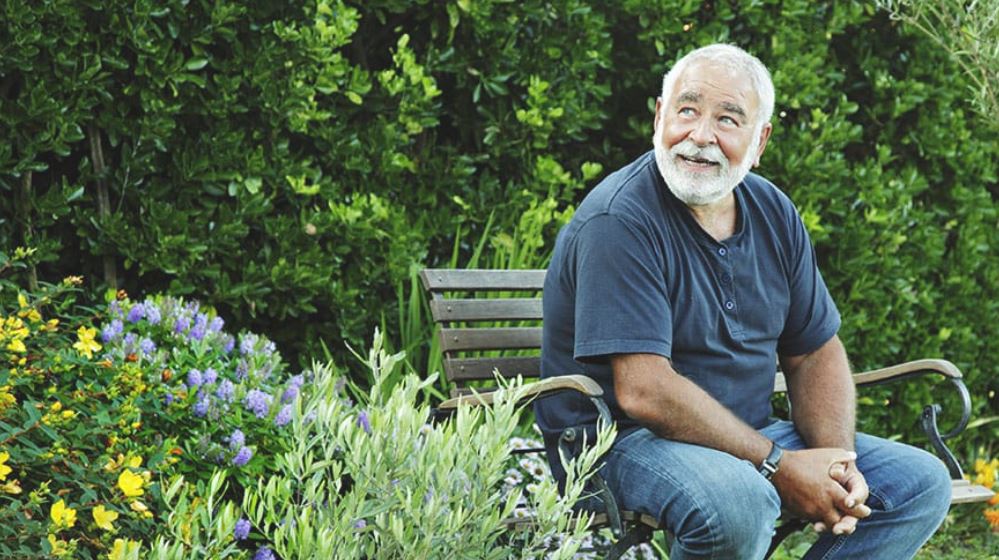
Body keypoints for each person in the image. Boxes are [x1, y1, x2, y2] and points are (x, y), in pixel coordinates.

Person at [535, 44, 952, 559]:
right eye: (686, 110)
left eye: (728, 119)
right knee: (740, 503)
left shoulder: (772, 210)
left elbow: (814, 350)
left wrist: (834, 461)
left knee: (919, 484)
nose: (700, 136)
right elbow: (645, 391)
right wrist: (778, 464)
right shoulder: (619, 221)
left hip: (746, 437)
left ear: (759, 142)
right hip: (618, 442)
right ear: (659, 117)